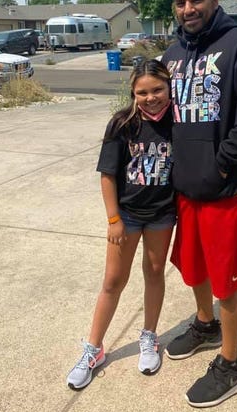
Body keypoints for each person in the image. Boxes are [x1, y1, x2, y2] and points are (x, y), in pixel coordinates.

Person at [161, 0, 237, 408]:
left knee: (226, 279)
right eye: (180, 2)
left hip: (226, 190)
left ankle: (232, 365)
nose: (188, 9)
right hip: (186, 189)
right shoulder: (172, 54)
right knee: (195, 266)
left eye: (196, 0)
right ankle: (205, 324)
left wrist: (221, 166)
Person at [66, 59, 175, 389]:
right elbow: (108, 176)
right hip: (125, 216)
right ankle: (93, 349)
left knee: (154, 273)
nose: (151, 97)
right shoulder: (121, 123)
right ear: (132, 92)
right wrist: (113, 219)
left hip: (162, 214)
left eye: (157, 89)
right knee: (113, 281)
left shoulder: (178, 123)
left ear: (169, 87)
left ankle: (149, 337)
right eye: (142, 92)